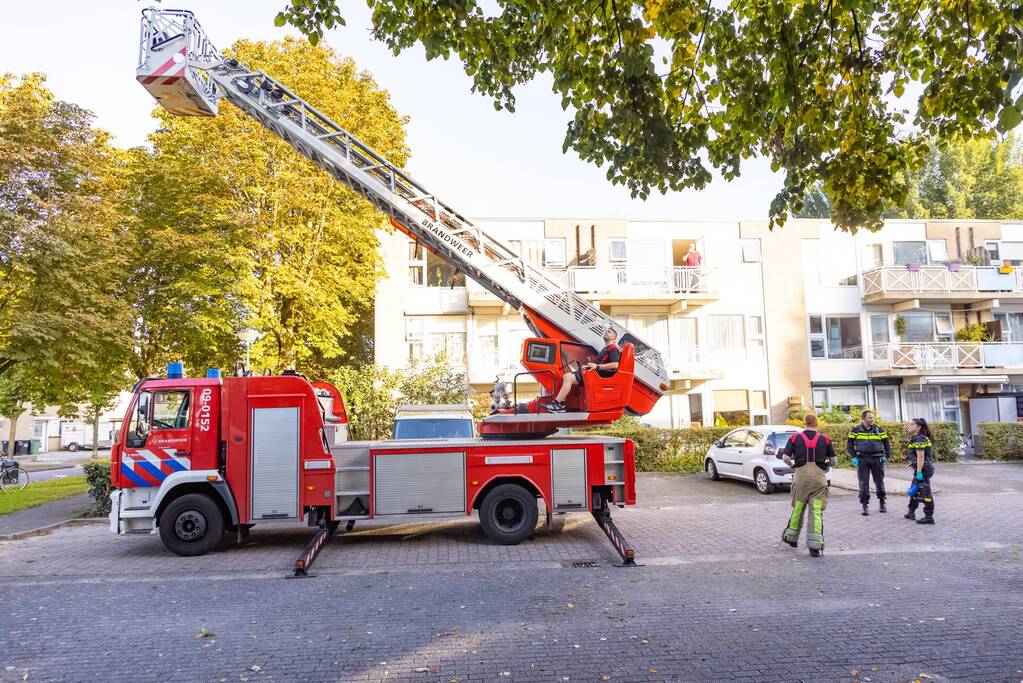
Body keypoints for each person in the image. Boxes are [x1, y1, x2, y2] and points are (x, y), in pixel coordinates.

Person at [781, 413, 835, 557]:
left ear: (804, 423)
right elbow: (833, 460)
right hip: (819, 479)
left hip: (801, 479)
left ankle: (791, 538)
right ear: (817, 423)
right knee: (816, 511)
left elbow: (785, 457)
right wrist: (826, 466)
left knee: (798, 508)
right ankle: (815, 547)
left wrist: (793, 465)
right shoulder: (826, 439)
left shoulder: (794, 438)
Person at [547, 328, 620, 413]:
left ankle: (557, 404)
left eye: (609, 332)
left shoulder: (613, 348)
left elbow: (615, 365)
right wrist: (588, 366)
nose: (606, 332)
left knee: (568, 377)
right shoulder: (605, 348)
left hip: (596, 376)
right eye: (606, 331)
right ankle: (560, 405)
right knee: (566, 376)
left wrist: (597, 367)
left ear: (614, 337)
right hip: (592, 373)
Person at [847, 409, 891, 515]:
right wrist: (854, 457)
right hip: (863, 459)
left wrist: (887, 456)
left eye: (873, 417)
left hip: (877, 459)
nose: (872, 419)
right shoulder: (855, 430)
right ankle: (865, 505)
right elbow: (849, 444)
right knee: (863, 483)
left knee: (879, 482)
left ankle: (882, 502)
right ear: (864, 418)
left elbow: (887, 443)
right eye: (870, 417)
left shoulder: (879, 429)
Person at [905, 417, 936, 525]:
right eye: (910, 424)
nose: (910, 426)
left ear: (919, 427)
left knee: (925, 492)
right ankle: (911, 511)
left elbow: (921, 457)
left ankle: (929, 516)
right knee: (915, 489)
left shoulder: (919, 439)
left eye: (912, 425)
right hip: (921, 468)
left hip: (923, 469)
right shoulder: (916, 438)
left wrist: (919, 472)